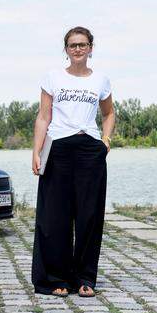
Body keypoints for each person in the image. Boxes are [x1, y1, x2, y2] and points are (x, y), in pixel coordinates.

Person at [31, 26, 115, 298]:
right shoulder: (53, 77)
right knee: (55, 217)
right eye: (72, 45)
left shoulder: (100, 80)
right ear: (66, 50)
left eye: (82, 44)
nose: (77, 49)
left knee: (89, 216)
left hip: (89, 150)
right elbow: (43, 116)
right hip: (58, 148)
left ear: (91, 47)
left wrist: (105, 140)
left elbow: (109, 113)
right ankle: (56, 278)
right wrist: (36, 150)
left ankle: (85, 278)